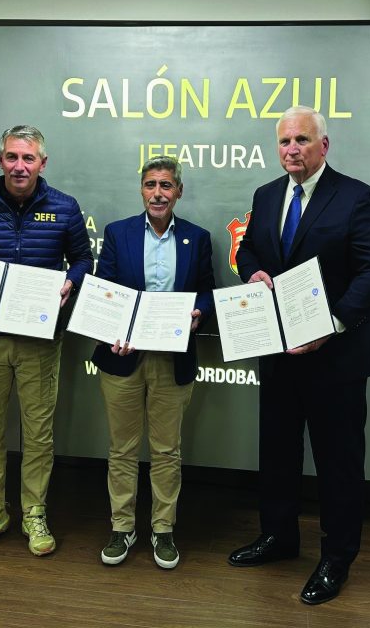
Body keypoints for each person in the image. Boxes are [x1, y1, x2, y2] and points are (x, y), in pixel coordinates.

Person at [228, 106, 370, 604]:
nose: (291, 150)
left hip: (336, 356)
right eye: (283, 142)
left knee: (338, 463)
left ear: (324, 145)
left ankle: (336, 558)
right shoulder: (266, 194)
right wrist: (251, 272)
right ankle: (279, 537)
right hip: (278, 351)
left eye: (301, 140)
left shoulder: (357, 196)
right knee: (276, 452)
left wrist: (333, 324)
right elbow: (252, 251)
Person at [0, 124, 93, 556]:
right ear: (1, 161)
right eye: (12, 157)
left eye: (28, 158)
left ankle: (34, 512)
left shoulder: (65, 208)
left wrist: (71, 282)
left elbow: (83, 258)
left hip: (39, 340)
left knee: (38, 433)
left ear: (42, 163)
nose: (19, 166)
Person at [90, 156, 215, 569]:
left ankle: (163, 531)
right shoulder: (117, 233)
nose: (157, 193)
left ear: (178, 191)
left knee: (166, 450)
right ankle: (122, 528)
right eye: (150, 185)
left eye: (165, 185)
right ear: (141, 189)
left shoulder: (197, 238)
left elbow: (206, 292)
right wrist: (113, 331)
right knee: (121, 450)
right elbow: (105, 291)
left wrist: (199, 312)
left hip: (172, 359)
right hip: (123, 358)